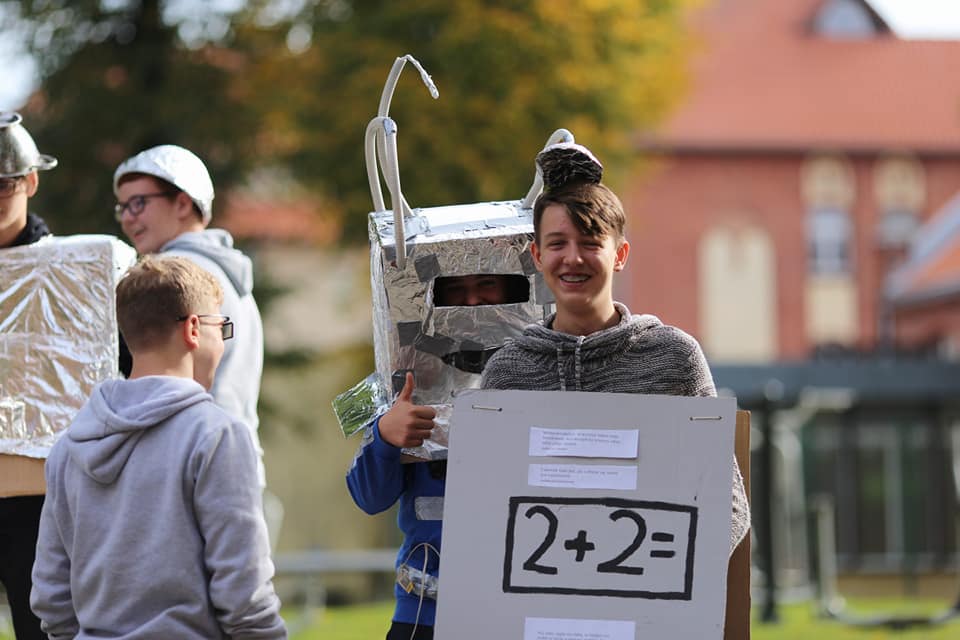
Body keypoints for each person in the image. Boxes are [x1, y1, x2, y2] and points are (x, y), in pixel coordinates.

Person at [481, 143, 751, 553]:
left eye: (590, 242)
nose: (573, 258)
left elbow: (728, 504)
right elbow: (484, 503)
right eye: (557, 244)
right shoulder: (507, 372)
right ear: (536, 255)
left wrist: (675, 571)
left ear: (620, 254)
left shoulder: (673, 358)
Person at [30, 255, 286, 638]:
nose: (222, 342)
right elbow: (243, 593)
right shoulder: (217, 436)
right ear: (194, 329)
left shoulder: (67, 449)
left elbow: (51, 597)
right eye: (221, 327)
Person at [347, 273, 516, 640]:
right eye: (456, 287)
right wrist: (384, 436)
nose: (472, 300)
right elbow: (368, 498)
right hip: (424, 609)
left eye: (486, 284)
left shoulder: (541, 367)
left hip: (518, 603)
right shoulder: (401, 376)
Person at [112, 145, 267, 487]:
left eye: (138, 203)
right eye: (122, 207)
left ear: (182, 203)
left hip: (190, 464)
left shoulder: (170, 277)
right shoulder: (230, 273)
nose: (127, 218)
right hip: (236, 458)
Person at [0, 111, 57, 640]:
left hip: (39, 501)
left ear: (31, 181)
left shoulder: (69, 270)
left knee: (40, 628)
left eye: (6, 183)